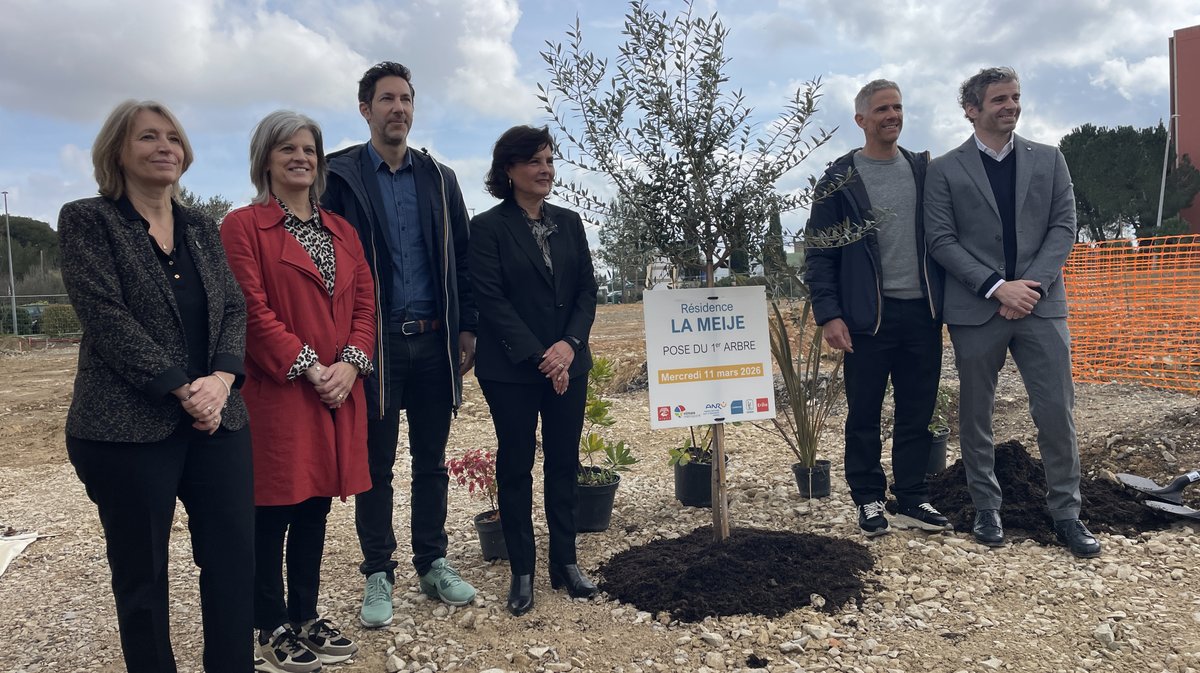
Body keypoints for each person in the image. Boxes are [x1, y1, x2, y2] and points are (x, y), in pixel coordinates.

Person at [58, 100, 253, 673]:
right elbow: (105, 315)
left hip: (218, 421)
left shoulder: (201, 228)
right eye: (148, 137)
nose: (165, 145)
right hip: (126, 428)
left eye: (173, 136)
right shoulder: (88, 221)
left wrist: (220, 380)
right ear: (118, 151)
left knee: (233, 560)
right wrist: (179, 388)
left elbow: (234, 308)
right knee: (142, 575)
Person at [321, 61, 479, 627]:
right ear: (365, 109)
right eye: (387, 99)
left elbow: (464, 257)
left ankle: (433, 561)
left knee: (431, 462)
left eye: (407, 98)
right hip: (375, 347)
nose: (399, 109)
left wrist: (468, 326)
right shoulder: (338, 178)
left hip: (435, 344)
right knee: (376, 463)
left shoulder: (439, 178)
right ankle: (378, 572)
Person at [221, 111, 376, 672]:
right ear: (265, 159)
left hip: (338, 391)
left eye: (309, 149)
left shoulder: (343, 230)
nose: (301, 158)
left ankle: (306, 613)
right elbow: (250, 310)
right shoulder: (242, 227)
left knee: (315, 507)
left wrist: (352, 366)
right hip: (281, 392)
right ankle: (270, 622)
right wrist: (310, 366)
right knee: (273, 510)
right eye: (287, 149)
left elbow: (365, 305)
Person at [924, 66, 1100, 558]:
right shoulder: (944, 169)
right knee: (975, 415)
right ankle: (986, 508)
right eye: (999, 99)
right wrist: (998, 287)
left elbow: (1064, 228)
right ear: (972, 109)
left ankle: (1067, 513)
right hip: (977, 310)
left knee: (1056, 411)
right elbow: (940, 239)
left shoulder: (1050, 159)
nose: (1011, 105)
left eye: (1015, 97)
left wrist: (1032, 287)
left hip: (1041, 309)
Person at [805, 80, 951, 538]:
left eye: (898, 107)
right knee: (864, 414)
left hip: (922, 315)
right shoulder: (839, 179)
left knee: (917, 412)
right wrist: (829, 314)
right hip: (868, 320)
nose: (893, 115)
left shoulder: (924, 170)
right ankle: (868, 498)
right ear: (861, 120)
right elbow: (819, 251)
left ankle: (911, 497)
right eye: (883, 109)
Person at [468, 125, 600, 616]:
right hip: (512, 370)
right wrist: (541, 356)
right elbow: (492, 301)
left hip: (570, 362)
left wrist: (567, 347)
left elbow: (587, 290)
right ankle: (522, 569)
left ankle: (565, 563)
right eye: (534, 161)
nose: (545, 169)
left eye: (549, 160)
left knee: (565, 463)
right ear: (509, 170)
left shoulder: (570, 221)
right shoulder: (487, 228)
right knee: (516, 464)